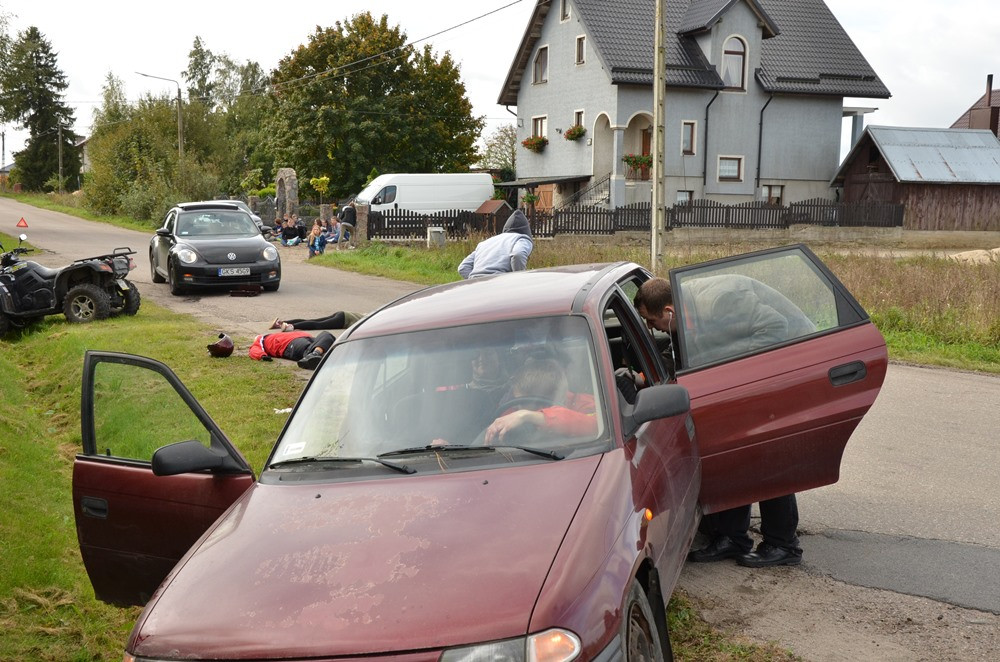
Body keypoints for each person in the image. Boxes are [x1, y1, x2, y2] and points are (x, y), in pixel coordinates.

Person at [634, 276, 801, 568]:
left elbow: (776, 327)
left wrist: (726, 367)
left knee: (766, 457)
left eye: (652, 322)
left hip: (761, 383)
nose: (651, 328)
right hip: (732, 392)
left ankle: (783, 543)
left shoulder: (720, 303)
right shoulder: (684, 314)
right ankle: (733, 538)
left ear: (669, 311)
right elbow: (686, 352)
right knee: (735, 458)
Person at [484, 356, 596, 443]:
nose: (516, 407)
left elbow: (595, 426)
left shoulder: (585, 404)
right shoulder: (514, 411)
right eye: (516, 400)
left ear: (542, 404)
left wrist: (527, 416)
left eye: (522, 403)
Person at [457, 209, 533, 279]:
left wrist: (474, 280)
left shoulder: (485, 243)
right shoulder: (522, 238)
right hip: (498, 283)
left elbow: (463, 267)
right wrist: (519, 279)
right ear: (527, 232)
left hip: (476, 285)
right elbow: (518, 254)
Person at [248, 328, 335, 370]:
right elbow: (253, 350)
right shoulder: (260, 340)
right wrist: (262, 356)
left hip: (305, 337)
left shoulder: (274, 335)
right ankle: (313, 356)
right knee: (306, 348)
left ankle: (316, 353)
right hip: (288, 345)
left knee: (327, 335)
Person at [269, 311, 364, 332]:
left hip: (343, 314)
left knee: (313, 321)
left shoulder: (372, 316)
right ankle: (289, 327)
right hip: (344, 320)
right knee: (318, 325)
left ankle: (280, 323)